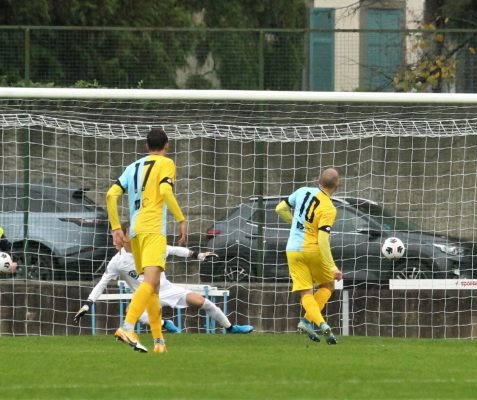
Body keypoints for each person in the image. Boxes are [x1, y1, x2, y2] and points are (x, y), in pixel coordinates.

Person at [73, 222, 253, 334]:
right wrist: (87, 303)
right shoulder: (117, 262)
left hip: (166, 289)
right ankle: (164, 323)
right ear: (124, 238)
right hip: (144, 296)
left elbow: (174, 249)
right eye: (131, 233)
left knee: (203, 302)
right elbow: (102, 283)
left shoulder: (150, 248)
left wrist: (198, 255)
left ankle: (230, 328)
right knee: (131, 312)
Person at [106, 127, 186, 353]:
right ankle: (127, 327)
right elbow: (165, 192)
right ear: (167, 145)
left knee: (153, 286)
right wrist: (180, 219)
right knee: (150, 283)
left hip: (135, 230)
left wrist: (115, 228)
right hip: (152, 229)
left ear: (146, 147)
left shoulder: (132, 167)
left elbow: (111, 195)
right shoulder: (166, 163)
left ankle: (159, 341)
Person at [275, 168, 342, 345]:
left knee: (306, 291)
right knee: (327, 285)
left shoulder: (302, 191)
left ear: (319, 181)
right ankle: (312, 321)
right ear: (337, 185)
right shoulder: (329, 208)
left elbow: (280, 208)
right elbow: (322, 239)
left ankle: (313, 322)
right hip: (312, 250)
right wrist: (333, 266)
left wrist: (296, 225)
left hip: (292, 250)